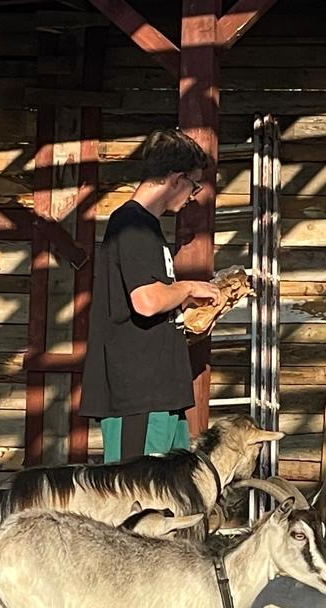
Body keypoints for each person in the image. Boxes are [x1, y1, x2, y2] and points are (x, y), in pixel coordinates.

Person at [82, 128, 222, 462]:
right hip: (138, 394)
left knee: (167, 504)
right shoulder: (132, 225)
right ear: (177, 178)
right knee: (138, 502)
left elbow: (152, 298)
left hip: (161, 393)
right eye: (194, 185)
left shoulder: (146, 228)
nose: (194, 196)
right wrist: (188, 286)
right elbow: (145, 302)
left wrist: (189, 303)